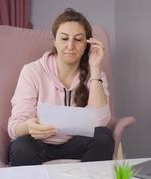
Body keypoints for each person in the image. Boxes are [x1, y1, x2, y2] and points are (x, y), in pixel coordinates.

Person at [7, 8, 114, 166]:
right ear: (55, 41)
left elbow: (99, 122)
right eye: (64, 39)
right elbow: (14, 126)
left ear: (87, 44)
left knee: (103, 137)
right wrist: (29, 127)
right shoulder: (32, 71)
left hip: (76, 144)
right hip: (39, 144)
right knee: (21, 147)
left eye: (78, 39)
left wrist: (96, 69)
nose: (70, 46)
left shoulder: (96, 73)